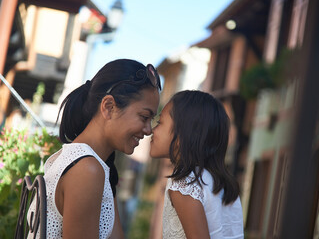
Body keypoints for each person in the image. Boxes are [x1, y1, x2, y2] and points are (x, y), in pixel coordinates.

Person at [29, 59, 161, 239]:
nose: (148, 130)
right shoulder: (87, 170)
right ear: (109, 107)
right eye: (144, 117)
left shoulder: (92, 163)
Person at [150, 90, 244, 239]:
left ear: (181, 135)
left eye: (159, 122)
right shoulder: (221, 184)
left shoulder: (185, 185)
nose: (151, 130)